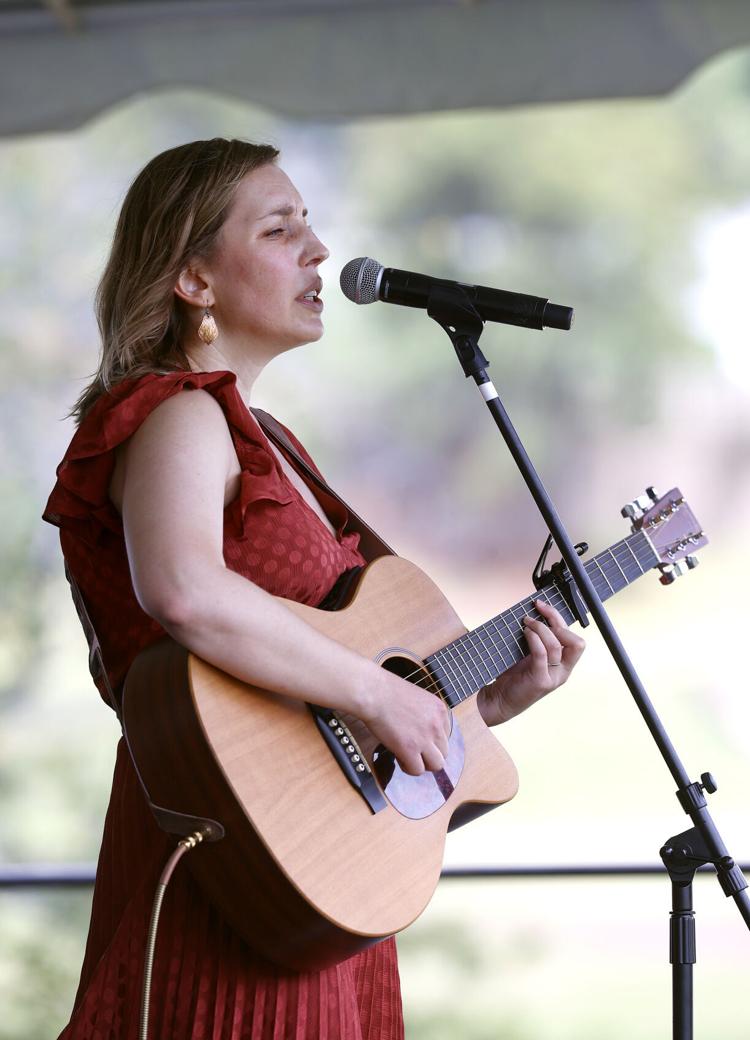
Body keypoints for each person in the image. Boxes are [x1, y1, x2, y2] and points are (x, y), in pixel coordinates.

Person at [43, 137, 586, 1040]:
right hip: (227, 866)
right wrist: (379, 691)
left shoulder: (271, 439)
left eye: (311, 223)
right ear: (194, 281)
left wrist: (487, 700)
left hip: (314, 862)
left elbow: (325, 701)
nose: (319, 251)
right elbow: (184, 591)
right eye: (279, 228)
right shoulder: (179, 415)